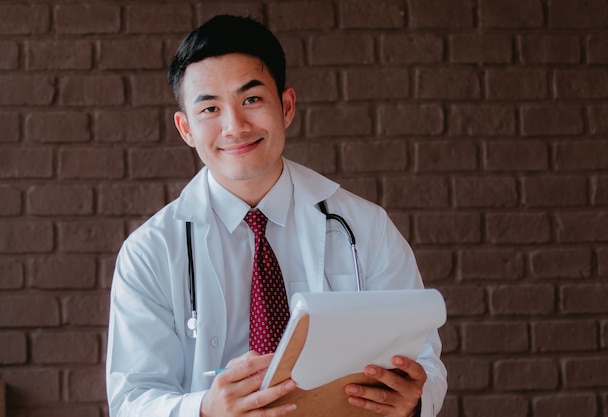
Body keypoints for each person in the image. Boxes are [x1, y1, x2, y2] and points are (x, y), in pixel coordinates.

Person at [106, 14, 447, 417]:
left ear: (286, 106)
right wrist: (203, 409)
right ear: (185, 129)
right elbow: (131, 400)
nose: (234, 126)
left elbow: (424, 360)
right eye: (210, 108)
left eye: (251, 99)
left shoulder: (365, 228)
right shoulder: (151, 251)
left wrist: (413, 402)